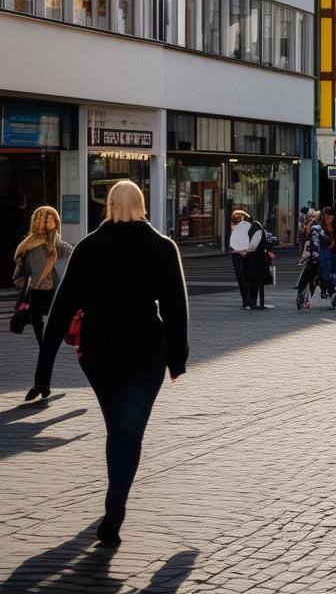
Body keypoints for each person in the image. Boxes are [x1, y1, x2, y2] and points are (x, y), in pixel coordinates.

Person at [26, 181, 188, 546]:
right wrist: (177, 358)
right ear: (143, 205)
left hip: (99, 353)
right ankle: (115, 510)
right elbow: (176, 308)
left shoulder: (88, 247)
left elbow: (61, 309)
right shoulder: (162, 247)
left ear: (109, 206)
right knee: (128, 431)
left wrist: (43, 371)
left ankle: (113, 507)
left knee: (117, 426)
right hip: (146, 352)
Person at [12, 206, 73, 345]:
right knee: (40, 328)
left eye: (53, 220)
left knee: (56, 321)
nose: (51, 223)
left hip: (51, 290)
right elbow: (18, 273)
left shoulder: (55, 243)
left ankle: (48, 344)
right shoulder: (28, 246)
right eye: (48, 220)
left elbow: (71, 251)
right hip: (36, 292)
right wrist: (29, 284)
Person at [228, 210, 265, 311]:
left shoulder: (236, 228)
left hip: (240, 255)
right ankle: (248, 300)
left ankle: (247, 300)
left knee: (242, 278)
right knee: (245, 278)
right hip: (242, 255)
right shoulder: (238, 228)